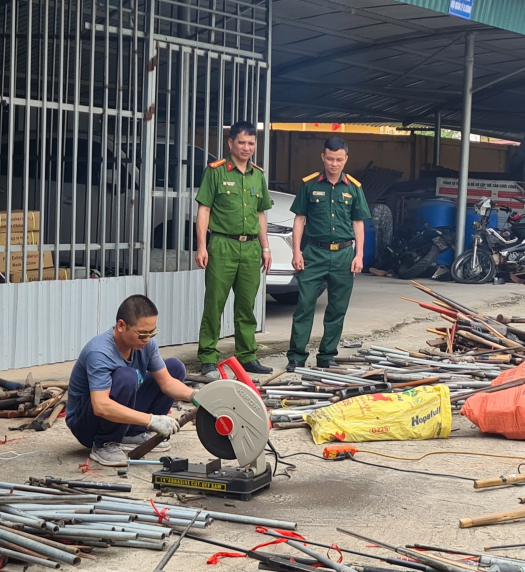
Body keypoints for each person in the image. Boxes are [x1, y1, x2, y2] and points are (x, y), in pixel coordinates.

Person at [66, 295, 195, 467]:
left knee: (174, 367)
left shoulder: (147, 344)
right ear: (121, 325)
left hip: (116, 412)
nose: (148, 339)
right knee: (127, 377)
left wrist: (198, 397)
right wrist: (151, 420)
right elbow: (101, 405)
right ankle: (105, 443)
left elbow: (167, 383)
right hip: (87, 424)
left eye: (152, 332)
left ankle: (132, 434)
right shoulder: (100, 352)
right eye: (142, 334)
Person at [195, 121, 274, 377]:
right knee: (214, 303)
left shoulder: (257, 175)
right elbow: (204, 209)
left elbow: (260, 213)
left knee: (246, 306)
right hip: (222, 245)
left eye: (251, 143)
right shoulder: (216, 171)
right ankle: (208, 356)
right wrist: (201, 246)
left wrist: (266, 248)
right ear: (230, 143)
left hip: (250, 248)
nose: (247, 147)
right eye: (242, 142)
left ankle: (247, 356)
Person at [285, 137, 371, 372]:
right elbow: (299, 220)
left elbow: (358, 223)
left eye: (339, 159)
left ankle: (327, 356)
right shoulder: (310, 185)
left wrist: (359, 255)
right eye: (330, 158)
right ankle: (296, 357)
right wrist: (296, 252)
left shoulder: (354, 188)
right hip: (313, 253)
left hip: (344, 255)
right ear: (323, 157)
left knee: (337, 308)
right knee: (304, 305)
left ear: (346, 160)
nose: (334, 163)